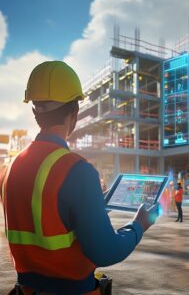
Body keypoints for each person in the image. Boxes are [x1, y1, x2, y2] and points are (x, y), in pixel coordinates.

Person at [0, 61, 159, 294]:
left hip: (26, 289)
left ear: (34, 112)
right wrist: (139, 225)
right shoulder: (75, 170)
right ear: (74, 113)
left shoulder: (10, 168)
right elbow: (105, 251)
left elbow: (46, 213)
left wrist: (97, 203)